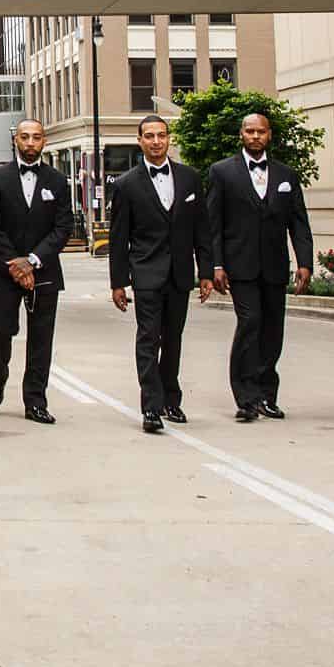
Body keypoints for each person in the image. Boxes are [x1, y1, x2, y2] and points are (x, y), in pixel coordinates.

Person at [206, 113, 314, 422]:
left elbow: (299, 222)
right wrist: (216, 264)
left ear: (269, 135)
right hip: (239, 266)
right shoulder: (221, 172)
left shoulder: (286, 175)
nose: (255, 136)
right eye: (250, 131)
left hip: (275, 266)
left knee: (272, 330)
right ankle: (246, 398)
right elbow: (213, 224)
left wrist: (304, 262)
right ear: (241, 134)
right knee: (250, 322)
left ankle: (267, 395)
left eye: (261, 131)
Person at [107, 114, 211, 434]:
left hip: (180, 273)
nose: (156, 141)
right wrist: (118, 282)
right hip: (146, 273)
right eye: (149, 136)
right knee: (149, 338)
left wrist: (206, 272)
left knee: (174, 338)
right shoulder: (125, 185)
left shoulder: (190, 178)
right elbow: (118, 238)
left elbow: (202, 230)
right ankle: (151, 407)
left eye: (161, 135)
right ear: (139, 141)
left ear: (169, 138)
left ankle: (171, 399)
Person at [0, 119, 74, 423]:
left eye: (36, 137)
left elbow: (63, 227)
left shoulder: (58, 181)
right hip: (4, 271)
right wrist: (15, 263)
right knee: (1, 331)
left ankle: (35, 401)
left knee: (41, 339)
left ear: (44, 141)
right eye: (25, 137)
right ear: (15, 140)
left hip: (45, 271)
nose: (30, 143)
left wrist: (32, 261)